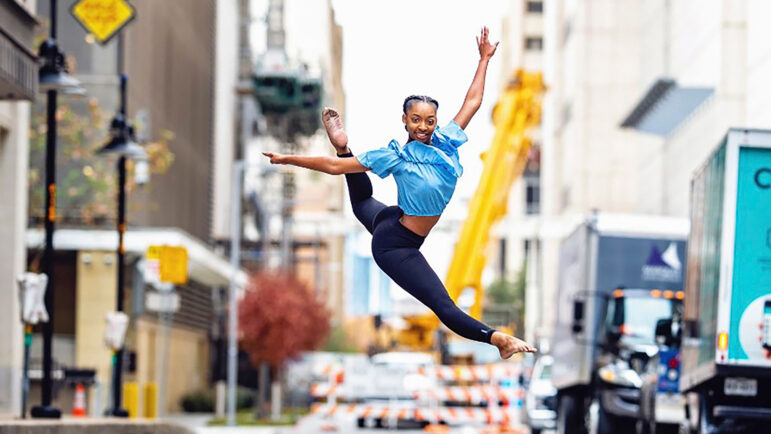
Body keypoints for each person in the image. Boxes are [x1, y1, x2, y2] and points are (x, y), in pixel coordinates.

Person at [262, 27, 535, 358]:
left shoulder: (447, 141)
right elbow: (334, 169)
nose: (423, 127)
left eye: (430, 121)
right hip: (395, 244)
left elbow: (473, 102)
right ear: (404, 120)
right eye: (416, 120)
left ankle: (344, 145)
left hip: (392, 219)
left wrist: (484, 60)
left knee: (363, 202)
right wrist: (288, 159)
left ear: (436, 122)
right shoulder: (396, 156)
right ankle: (499, 340)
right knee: (443, 306)